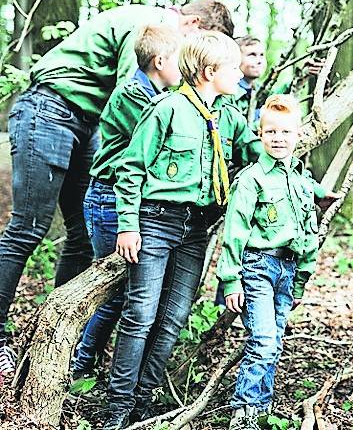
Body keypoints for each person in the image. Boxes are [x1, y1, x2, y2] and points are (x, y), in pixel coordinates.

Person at [0, 0, 233, 376]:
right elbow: (141, 101)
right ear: (190, 23)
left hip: (85, 121)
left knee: (79, 237)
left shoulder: (161, 30)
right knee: (27, 229)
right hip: (50, 109)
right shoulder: (150, 26)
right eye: (199, 43)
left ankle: (53, 337)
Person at [102, 31, 261, 429]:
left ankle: (145, 399)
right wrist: (128, 226)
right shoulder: (167, 109)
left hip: (198, 228)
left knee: (173, 317)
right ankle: (118, 409)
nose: (239, 73)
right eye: (231, 68)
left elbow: (253, 152)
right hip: (157, 221)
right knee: (141, 313)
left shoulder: (228, 116)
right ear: (209, 72)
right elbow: (131, 167)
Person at [71, 24, 184, 379]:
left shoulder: (152, 92)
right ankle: (79, 364)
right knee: (112, 289)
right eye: (180, 60)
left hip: (121, 196)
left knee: (120, 292)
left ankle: (85, 361)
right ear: (160, 60)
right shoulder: (135, 96)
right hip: (109, 197)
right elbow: (159, 142)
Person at [216, 94, 320, 430]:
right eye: (271, 132)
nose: (278, 139)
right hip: (257, 267)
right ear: (260, 135)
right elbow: (234, 232)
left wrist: (302, 278)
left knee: (273, 341)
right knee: (263, 340)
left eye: (285, 132)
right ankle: (242, 411)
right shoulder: (250, 179)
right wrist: (231, 280)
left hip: (287, 270)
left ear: (298, 134)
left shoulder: (301, 181)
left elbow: (308, 231)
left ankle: (261, 408)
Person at [231, 36, 267, 120]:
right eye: (252, 55)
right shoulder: (230, 92)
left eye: (261, 55)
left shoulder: (261, 89)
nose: (259, 61)